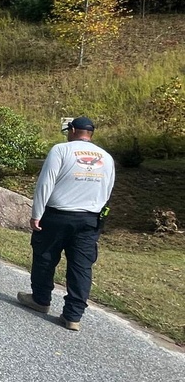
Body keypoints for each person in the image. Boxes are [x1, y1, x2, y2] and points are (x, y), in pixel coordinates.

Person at [17, 116, 115, 332]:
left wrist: (37, 213)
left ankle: (40, 300)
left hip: (57, 215)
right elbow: (107, 190)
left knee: (45, 256)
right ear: (90, 133)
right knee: (81, 266)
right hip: (90, 219)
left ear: (72, 130)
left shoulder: (61, 150)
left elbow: (46, 182)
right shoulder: (106, 157)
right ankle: (73, 316)